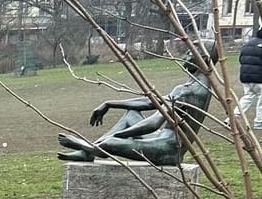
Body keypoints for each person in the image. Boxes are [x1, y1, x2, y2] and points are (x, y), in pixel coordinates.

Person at [57, 42, 216, 166]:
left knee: (111, 142)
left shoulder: (186, 91)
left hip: (167, 151)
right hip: (166, 142)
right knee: (131, 115)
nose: (185, 55)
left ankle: (91, 148)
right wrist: (109, 103)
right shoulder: (199, 87)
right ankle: (89, 152)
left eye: (191, 52)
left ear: (205, 59)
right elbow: (150, 102)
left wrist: (118, 137)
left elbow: (152, 124)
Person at [235, 26, 262, 130]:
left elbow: (241, 58)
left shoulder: (249, 43)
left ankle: (232, 118)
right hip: (261, 78)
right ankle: (260, 122)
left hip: (246, 76)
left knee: (247, 97)